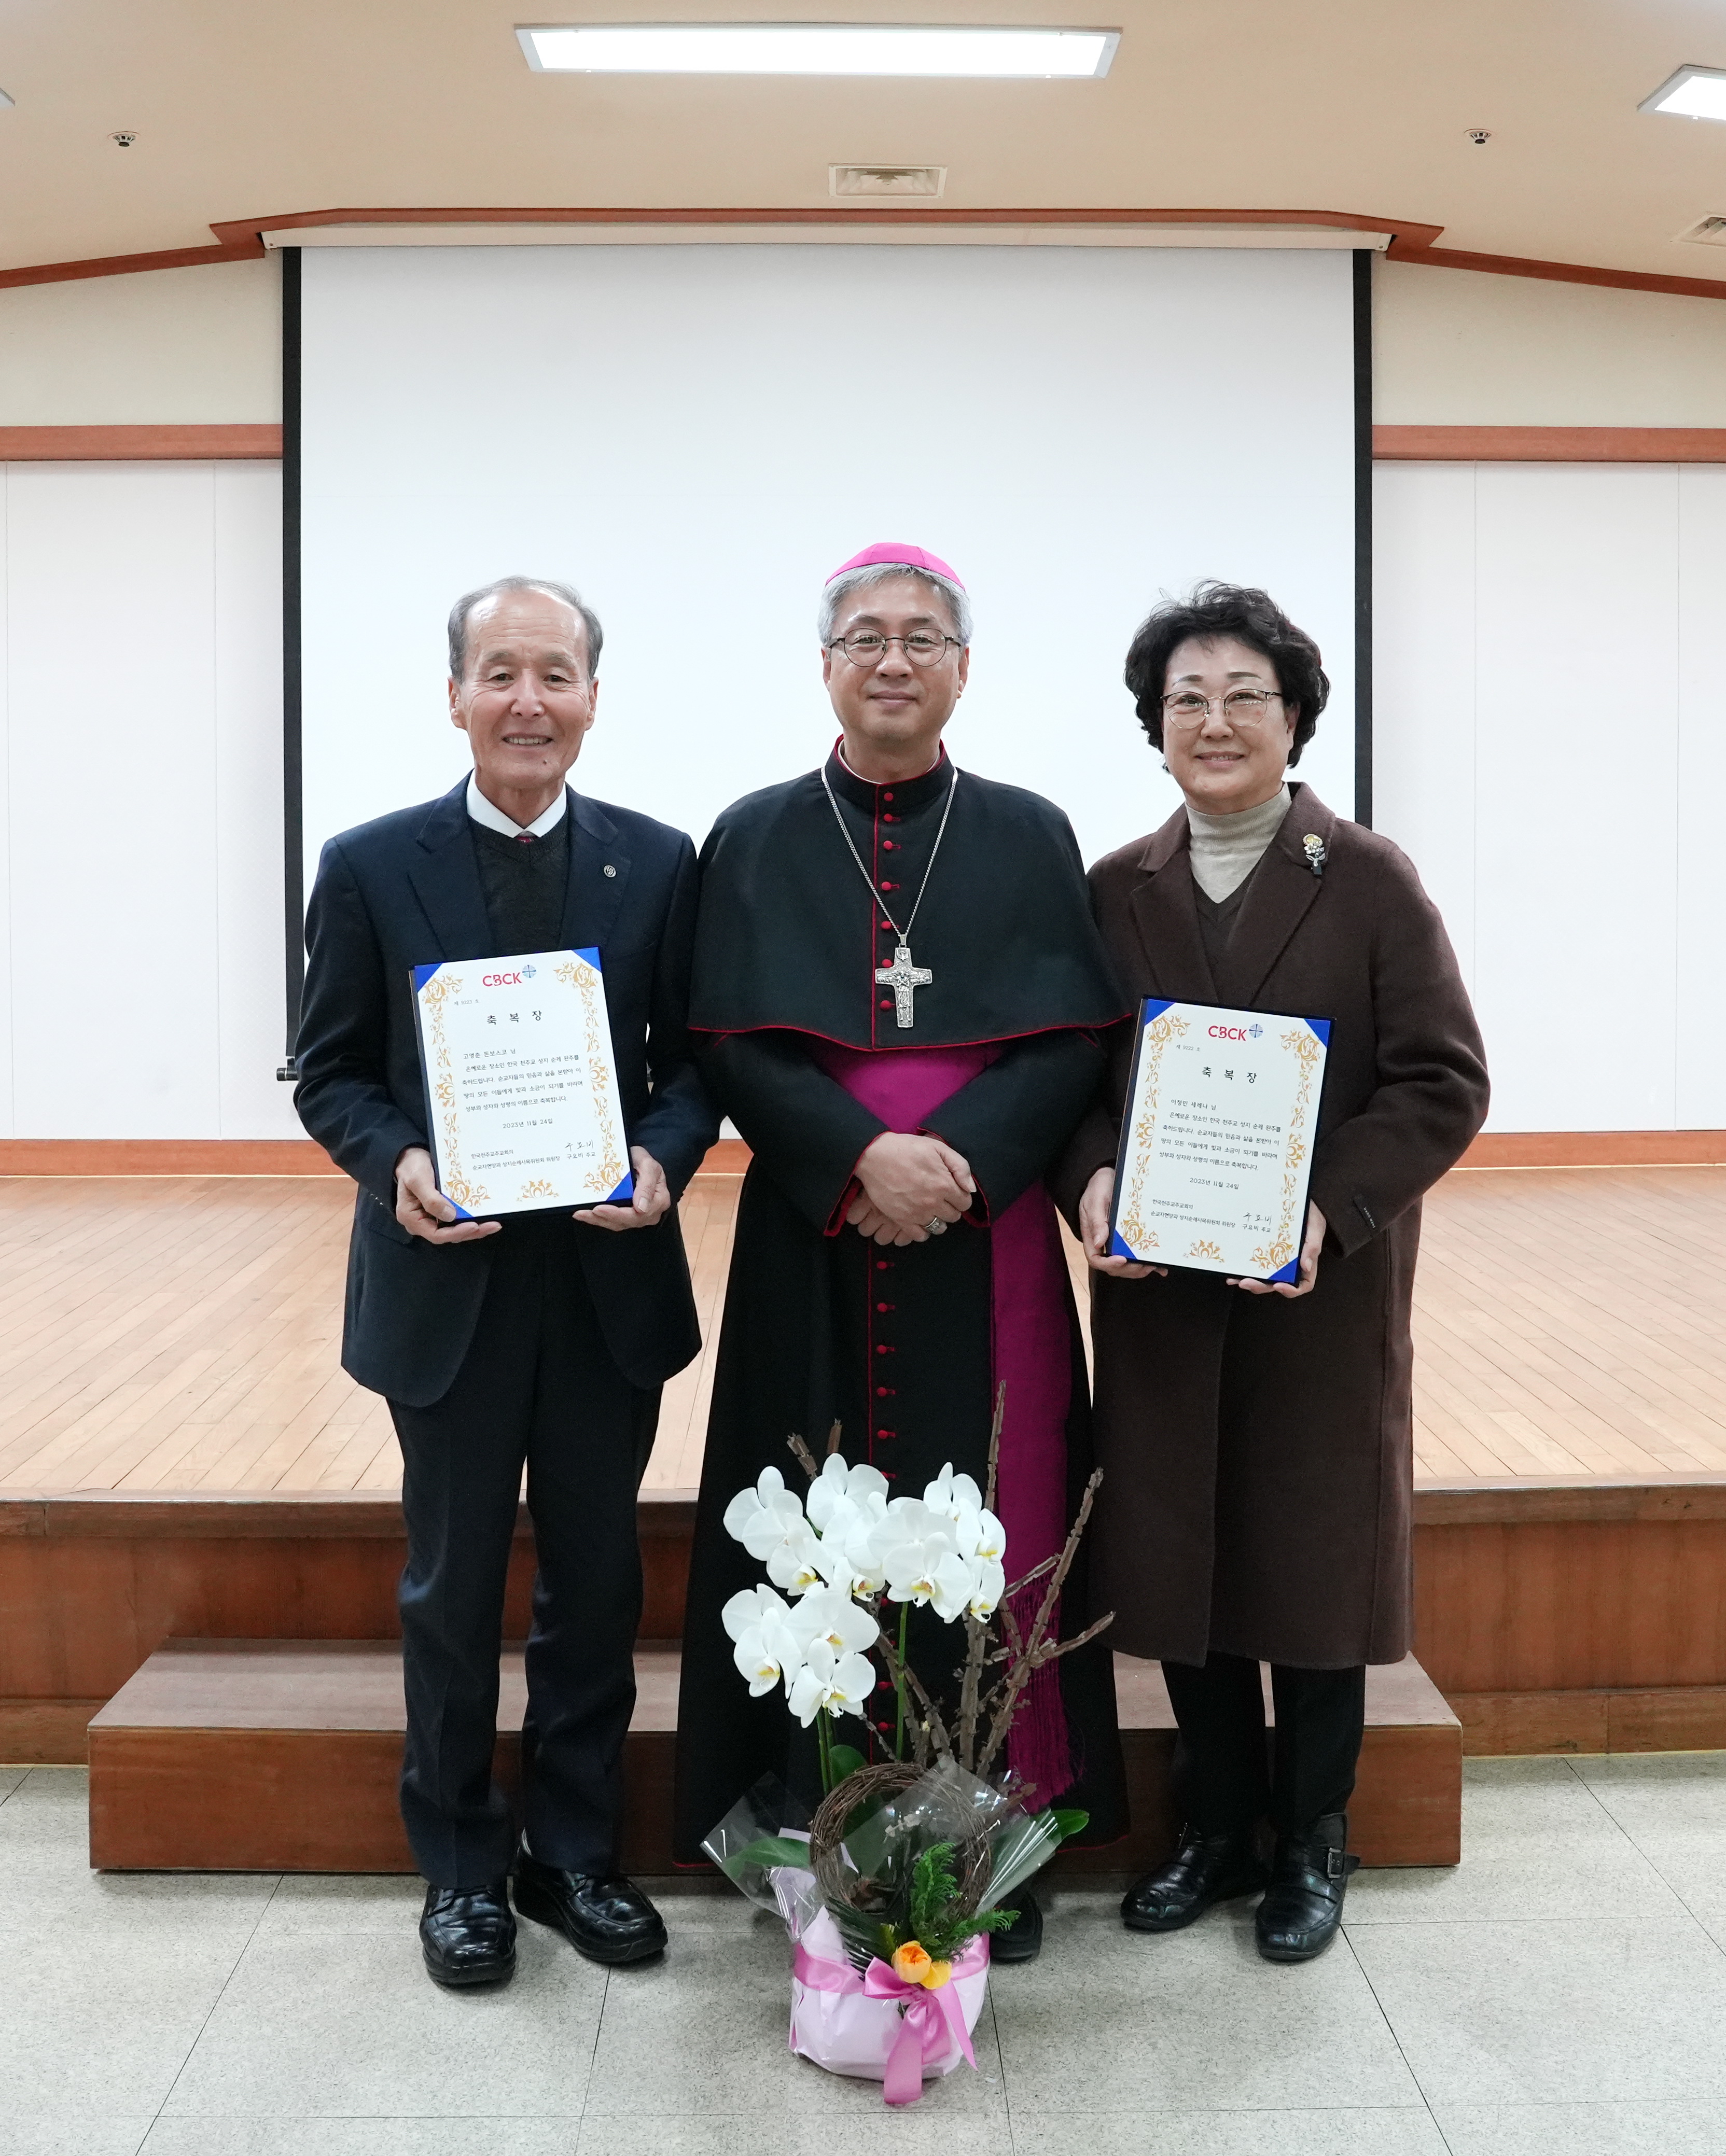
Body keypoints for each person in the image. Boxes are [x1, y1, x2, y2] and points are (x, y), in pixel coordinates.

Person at [673, 543, 1130, 1957]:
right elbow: (731, 1042)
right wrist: (855, 1158)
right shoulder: (752, 836)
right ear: (825, 665)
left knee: (1006, 1510)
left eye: (922, 637)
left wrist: (962, 1164)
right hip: (816, 1231)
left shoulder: (1028, 832)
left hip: (981, 1239)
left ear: (962, 668)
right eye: (864, 636)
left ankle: (998, 1836)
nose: (892, 659)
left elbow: (1072, 1040)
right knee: (807, 1521)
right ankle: (816, 1824)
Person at [1057, 582, 1488, 1963]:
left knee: (1309, 1573)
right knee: (1181, 1563)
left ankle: (1312, 1839)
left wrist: (1329, 1212)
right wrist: (1092, 1180)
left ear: (1295, 715)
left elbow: (1442, 1080)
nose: (1217, 720)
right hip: (1163, 1296)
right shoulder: (1116, 889)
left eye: (1247, 693)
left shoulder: (1366, 880)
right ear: (1155, 727)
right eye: (1188, 697)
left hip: (1317, 1293)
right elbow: (1069, 1081)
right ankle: (1211, 1826)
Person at [295, 576, 717, 1989]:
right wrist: (396, 1160)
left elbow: (693, 1063)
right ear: (457, 694)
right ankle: (463, 1869)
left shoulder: (661, 864)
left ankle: (575, 1856)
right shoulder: (368, 864)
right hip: (448, 1285)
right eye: (500, 674)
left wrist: (661, 1155)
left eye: (556, 674)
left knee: (597, 1582)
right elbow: (333, 1069)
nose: (528, 700)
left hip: (605, 1284)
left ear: (595, 696)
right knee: (452, 1583)